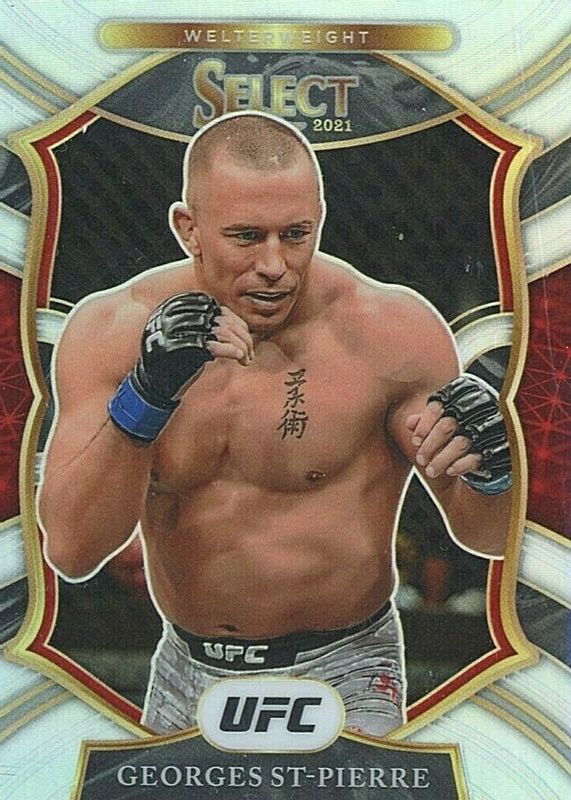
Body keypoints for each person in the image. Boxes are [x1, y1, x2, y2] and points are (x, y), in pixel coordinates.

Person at [38, 111, 512, 737]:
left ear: (320, 218)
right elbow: (73, 551)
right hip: (185, 667)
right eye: (245, 236)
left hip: (347, 667)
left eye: (295, 234)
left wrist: (494, 473)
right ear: (188, 228)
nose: (274, 264)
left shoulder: (389, 331)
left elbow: (487, 535)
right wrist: (145, 394)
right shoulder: (111, 331)